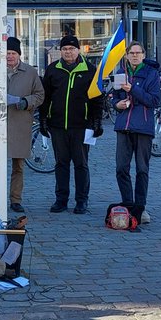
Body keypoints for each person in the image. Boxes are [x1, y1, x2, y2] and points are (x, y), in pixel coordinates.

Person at [39, 35, 102, 216]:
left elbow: (97, 99)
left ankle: (81, 200)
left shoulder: (90, 70)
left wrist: (96, 122)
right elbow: (45, 98)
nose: (68, 52)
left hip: (81, 126)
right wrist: (44, 119)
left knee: (81, 164)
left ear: (78, 50)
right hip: (58, 125)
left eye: (71, 49)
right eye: (65, 49)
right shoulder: (53, 70)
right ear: (61, 51)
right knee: (61, 164)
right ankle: (61, 199)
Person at [108, 42, 161, 224]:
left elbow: (154, 100)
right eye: (132, 53)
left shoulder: (152, 74)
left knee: (142, 169)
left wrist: (133, 90)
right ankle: (128, 204)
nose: (135, 56)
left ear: (144, 55)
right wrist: (117, 104)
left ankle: (141, 207)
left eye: (139, 53)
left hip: (143, 127)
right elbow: (113, 98)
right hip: (123, 126)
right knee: (121, 168)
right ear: (127, 55)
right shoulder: (120, 73)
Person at [5, 37, 45, 214]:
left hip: (20, 123)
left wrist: (24, 102)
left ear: (19, 54)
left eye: (13, 53)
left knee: (18, 166)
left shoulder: (29, 72)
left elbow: (40, 95)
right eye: (6, 53)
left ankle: (15, 199)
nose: (9, 56)